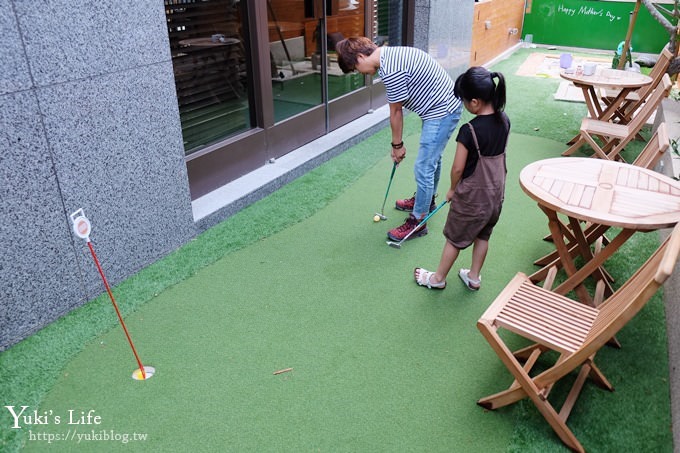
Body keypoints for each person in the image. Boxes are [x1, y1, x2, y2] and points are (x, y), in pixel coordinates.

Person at [335, 37, 463, 241]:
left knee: (424, 166)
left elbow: (396, 111)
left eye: (356, 68)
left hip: (441, 111)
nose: (360, 73)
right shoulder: (392, 54)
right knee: (432, 161)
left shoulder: (391, 69)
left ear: (360, 57)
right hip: (441, 107)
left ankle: (418, 222)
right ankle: (425, 201)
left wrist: (397, 146)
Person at [413, 66, 509, 291]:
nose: (465, 105)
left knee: (454, 239)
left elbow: (457, 168)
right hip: (495, 194)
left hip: (472, 197)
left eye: (465, 101)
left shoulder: (469, 130)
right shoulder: (504, 120)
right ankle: (474, 277)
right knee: (483, 235)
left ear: (475, 102)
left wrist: (452, 190)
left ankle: (437, 279)